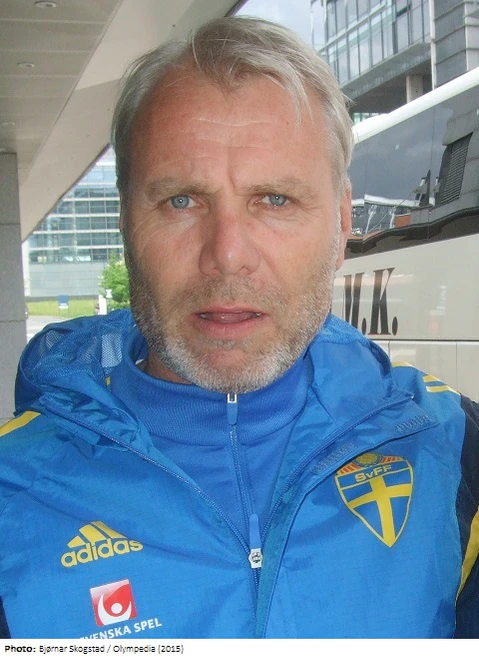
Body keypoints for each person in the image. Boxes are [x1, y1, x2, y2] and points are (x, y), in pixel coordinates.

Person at [0, 16, 478, 640]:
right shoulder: (14, 490)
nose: (227, 254)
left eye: (275, 199)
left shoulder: (456, 452)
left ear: (341, 224)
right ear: (125, 222)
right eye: (181, 200)